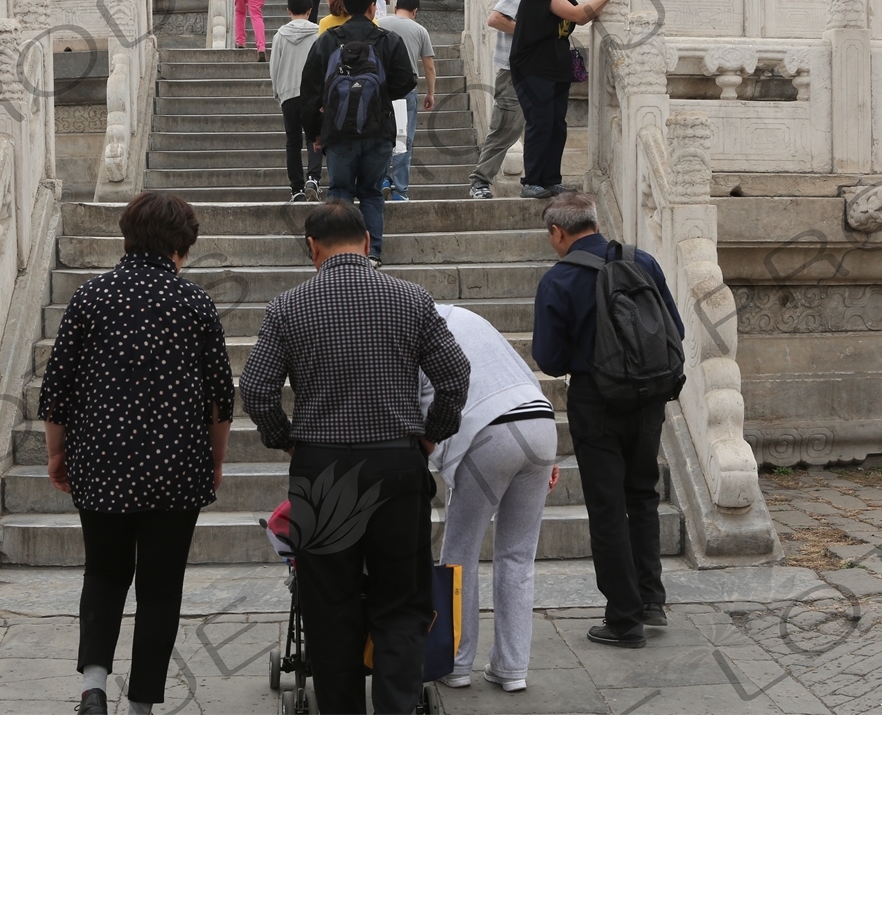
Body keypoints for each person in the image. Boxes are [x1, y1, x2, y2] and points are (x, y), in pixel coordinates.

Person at [239, 202, 471, 714]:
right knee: (401, 602)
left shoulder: (287, 307)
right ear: (367, 242)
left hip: (321, 471)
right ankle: (395, 712)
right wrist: (432, 436)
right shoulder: (411, 298)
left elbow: (255, 391)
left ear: (312, 249)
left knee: (330, 604)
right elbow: (455, 375)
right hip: (396, 466)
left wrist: (288, 440)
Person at [39, 191, 235, 713]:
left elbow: (57, 388)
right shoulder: (195, 304)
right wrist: (214, 462)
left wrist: (57, 454)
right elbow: (221, 399)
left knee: (103, 572)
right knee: (160, 587)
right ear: (183, 246)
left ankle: (94, 686)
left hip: (101, 461)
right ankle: (144, 704)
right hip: (177, 466)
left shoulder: (90, 297)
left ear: (127, 236)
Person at [532, 191, 682, 648]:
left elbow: (550, 359)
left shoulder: (559, 280)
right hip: (650, 399)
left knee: (606, 506)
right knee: (642, 496)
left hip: (597, 402)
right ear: (594, 221)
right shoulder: (644, 262)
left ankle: (624, 618)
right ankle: (651, 599)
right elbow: (674, 327)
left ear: (559, 232)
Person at [425, 304, 559, 691]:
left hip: (487, 431)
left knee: (460, 552)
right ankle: (512, 668)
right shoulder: (468, 319)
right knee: (518, 555)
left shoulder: (409, 328)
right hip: (539, 423)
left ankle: (457, 661)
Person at [298, 0, 416, 264]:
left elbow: (310, 90)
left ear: (344, 7)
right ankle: (372, 252)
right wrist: (380, 95)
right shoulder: (388, 40)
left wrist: (314, 132)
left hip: (338, 132)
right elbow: (407, 81)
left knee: (339, 192)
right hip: (378, 130)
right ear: (372, 7)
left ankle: (339, 252)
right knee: (372, 191)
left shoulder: (327, 39)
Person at [510, 0, 615, 197]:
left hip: (555, 66)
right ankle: (532, 181)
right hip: (533, 68)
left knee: (557, 125)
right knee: (541, 123)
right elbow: (578, 15)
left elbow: (580, 16)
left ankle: (550, 179)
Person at [468, 0, 545, 199]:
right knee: (505, 128)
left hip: (531, 71)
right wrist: (531, 33)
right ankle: (480, 181)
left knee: (533, 128)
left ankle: (536, 180)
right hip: (514, 73)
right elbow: (495, 18)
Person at [378, 0, 436, 201]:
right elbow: (429, 67)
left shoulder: (379, 23)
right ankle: (400, 190)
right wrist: (430, 92)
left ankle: (382, 179)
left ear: (395, 8)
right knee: (402, 139)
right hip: (405, 90)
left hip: (379, 89)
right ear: (415, 11)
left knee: (381, 135)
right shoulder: (420, 30)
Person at [270, 0, 323, 201]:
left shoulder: (280, 36)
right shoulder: (318, 33)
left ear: (288, 11)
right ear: (310, 11)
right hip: (313, 94)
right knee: (315, 138)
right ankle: (314, 178)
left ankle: (297, 189)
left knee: (293, 141)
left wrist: (278, 92)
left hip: (289, 94)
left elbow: (274, 67)